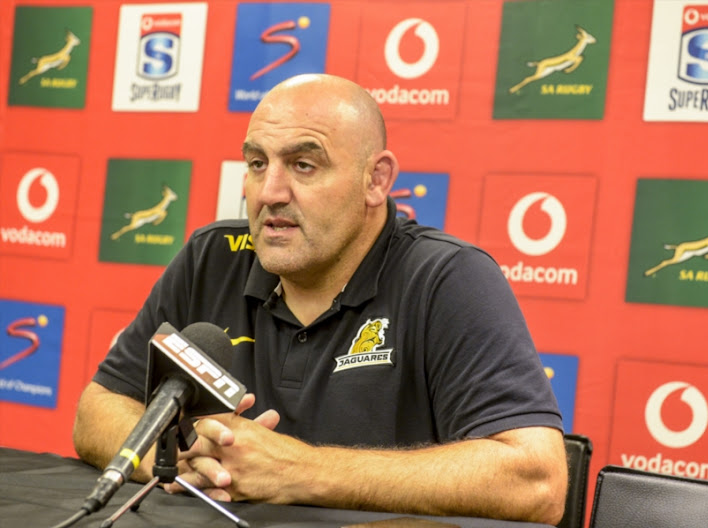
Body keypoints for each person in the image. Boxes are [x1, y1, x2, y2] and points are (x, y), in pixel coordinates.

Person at [73, 73, 568, 524]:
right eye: (257, 163)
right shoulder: (213, 257)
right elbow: (97, 410)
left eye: (304, 165)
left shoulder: (447, 277)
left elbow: (537, 481)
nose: (270, 191)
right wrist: (176, 456)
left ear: (375, 180)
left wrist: (300, 471)